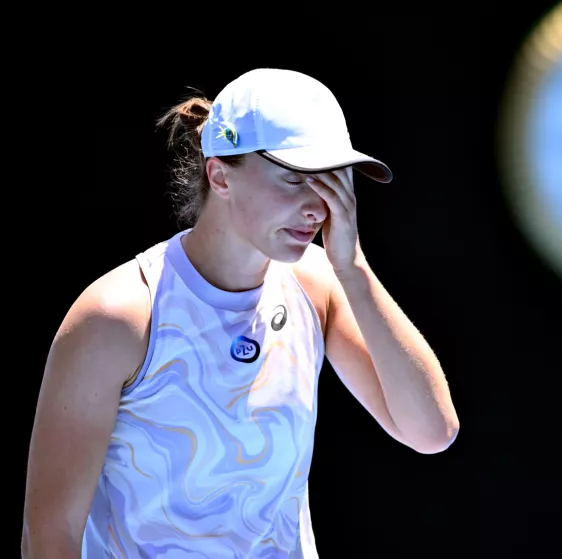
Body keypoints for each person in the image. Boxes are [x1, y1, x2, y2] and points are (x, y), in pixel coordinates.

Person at [22, 68, 460, 558]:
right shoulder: (117, 316)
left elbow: (432, 432)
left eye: (330, 182)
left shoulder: (320, 285)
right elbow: (49, 535)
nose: (318, 207)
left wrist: (352, 268)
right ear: (220, 175)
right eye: (294, 178)